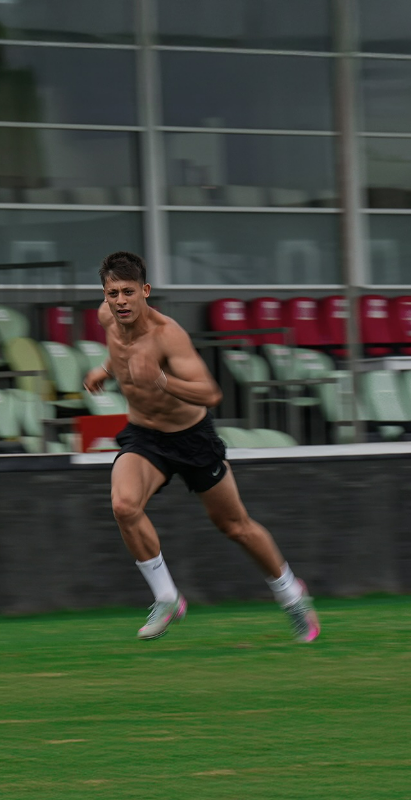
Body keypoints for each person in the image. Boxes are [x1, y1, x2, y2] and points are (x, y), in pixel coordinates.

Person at [83, 251, 320, 643]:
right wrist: (104, 370)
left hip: (191, 438)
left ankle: (291, 594)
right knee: (124, 505)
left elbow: (211, 393)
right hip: (145, 436)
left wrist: (160, 380)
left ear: (145, 291)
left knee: (234, 526)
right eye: (112, 293)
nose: (120, 300)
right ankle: (167, 597)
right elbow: (120, 352)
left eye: (128, 292)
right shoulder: (108, 316)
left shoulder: (167, 334)